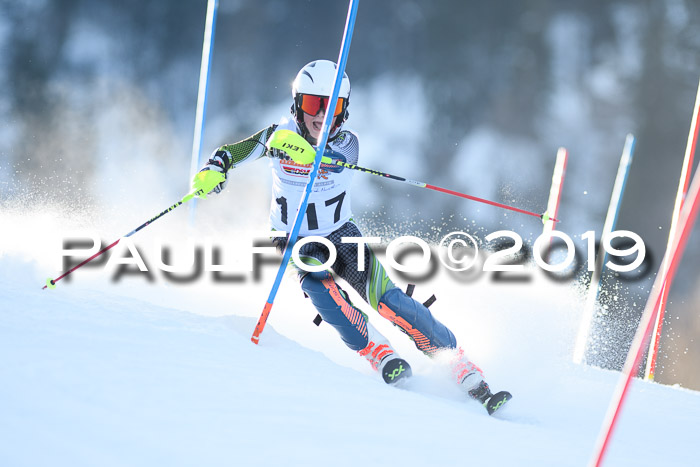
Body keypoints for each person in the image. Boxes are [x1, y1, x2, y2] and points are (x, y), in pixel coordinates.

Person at [191, 60, 511, 414]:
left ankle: (457, 363)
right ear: (297, 104)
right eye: (314, 105)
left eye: (334, 107)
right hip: (295, 238)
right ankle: (376, 349)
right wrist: (214, 168)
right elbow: (238, 150)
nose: (323, 116)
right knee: (317, 283)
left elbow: (325, 159)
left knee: (389, 300)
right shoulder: (277, 134)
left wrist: (293, 148)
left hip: (341, 233)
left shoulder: (347, 144)